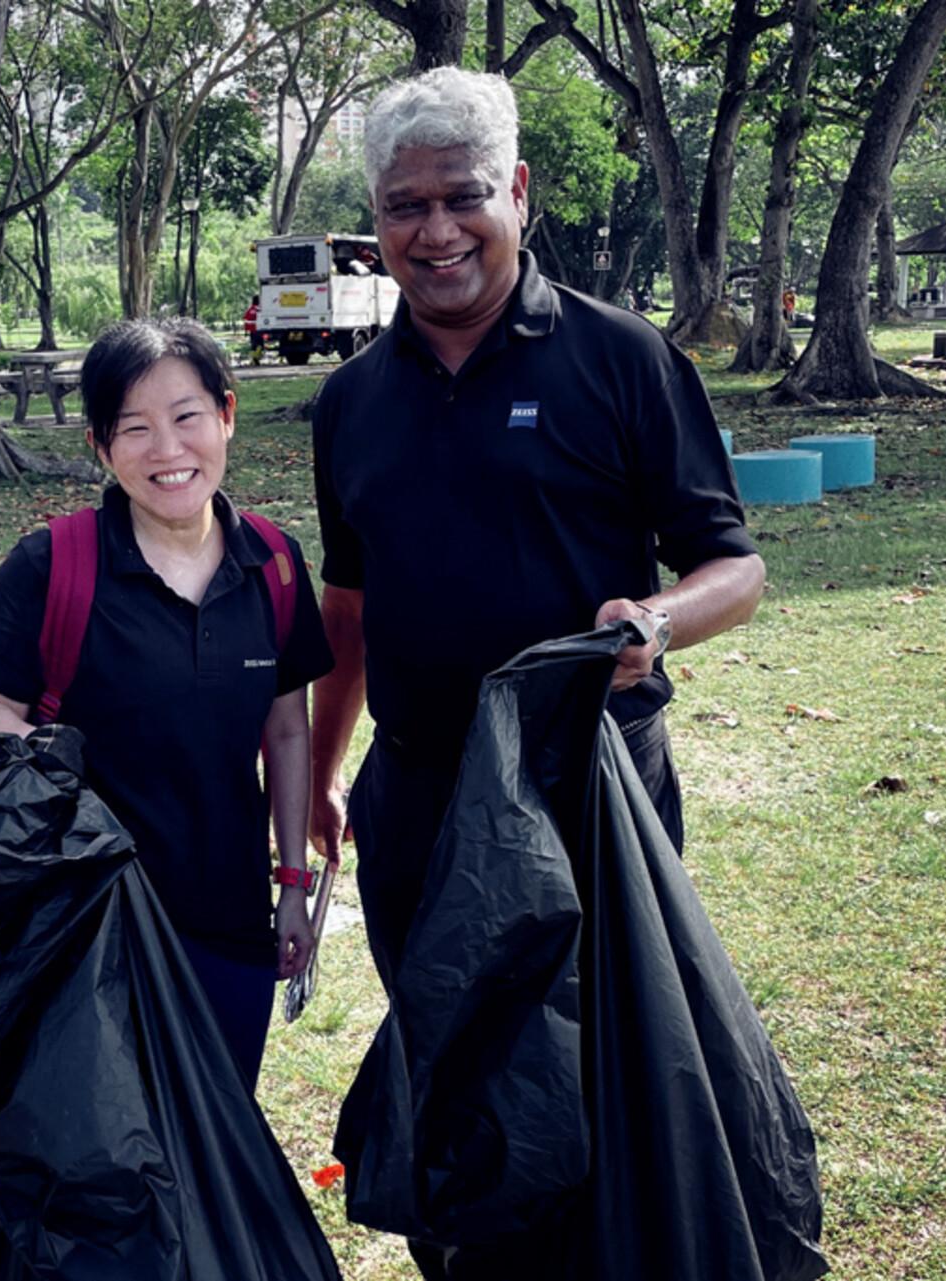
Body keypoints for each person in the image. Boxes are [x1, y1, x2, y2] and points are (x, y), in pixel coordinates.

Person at [309, 66, 765, 1275]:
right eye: (405, 206)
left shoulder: (621, 359)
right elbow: (345, 610)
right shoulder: (348, 402)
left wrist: (657, 623)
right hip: (419, 798)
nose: (436, 231)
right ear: (378, 220)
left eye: (462, 196)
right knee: (449, 1055)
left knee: (597, 1056)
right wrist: (317, 770)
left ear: (516, 191)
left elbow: (734, 565)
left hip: (587, 790)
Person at [0, 317, 334, 1088]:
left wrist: (292, 885)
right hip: (83, 928)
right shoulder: (51, 566)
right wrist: (35, 764)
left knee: (218, 1133)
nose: (167, 451)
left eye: (186, 417)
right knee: (101, 1159)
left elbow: (286, 729)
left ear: (226, 415)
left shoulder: (275, 563)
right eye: (134, 428)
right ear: (101, 447)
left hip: (228, 919)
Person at [243, 293, 265, 364]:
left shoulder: (249, 310)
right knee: (260, 345)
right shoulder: (260, 310)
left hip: (252, 331)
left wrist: (246, 331)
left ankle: (254, 359)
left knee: (253, 345)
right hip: (259, 330)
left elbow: (246, 321)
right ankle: (256, 357)